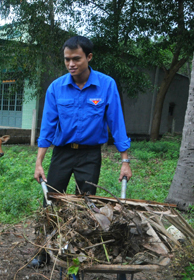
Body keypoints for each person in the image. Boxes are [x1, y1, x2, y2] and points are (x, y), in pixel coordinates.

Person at [32, 35, 132, 266]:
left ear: (89, 57)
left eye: (76, 59)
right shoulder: (56, 88)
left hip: (89, 155)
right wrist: (39, 162)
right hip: (62, 153)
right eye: (67, 59)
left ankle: (77, 250)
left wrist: (125, 161)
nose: (71, 64)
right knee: (51, 202)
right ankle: (43, 252)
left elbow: (117, 124)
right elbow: (47, 126)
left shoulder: (106, 85)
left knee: (86, 204)